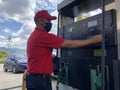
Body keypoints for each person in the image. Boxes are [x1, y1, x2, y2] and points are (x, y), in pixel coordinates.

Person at [26, 10, 102, 90]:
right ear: (41, 21)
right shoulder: (42, 36)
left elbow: (38, 55)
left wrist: (51, 57)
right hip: (39, 80)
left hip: (34, 78)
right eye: (48, 20)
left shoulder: (34, 35)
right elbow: (69, 44)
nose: (50, 23)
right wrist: (93, 40)